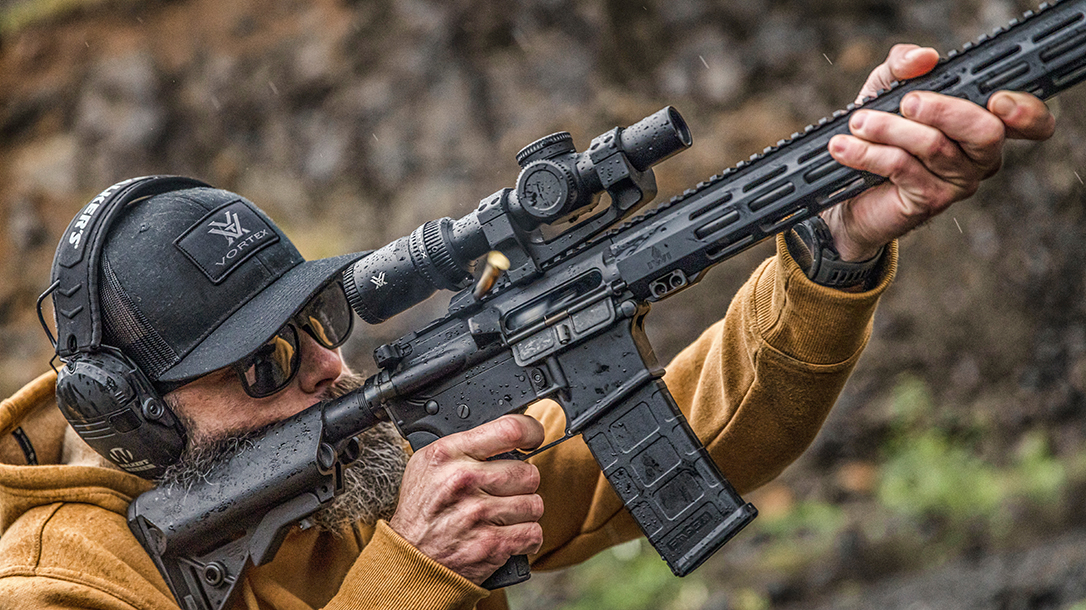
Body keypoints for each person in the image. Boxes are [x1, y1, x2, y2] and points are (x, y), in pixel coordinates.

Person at [0, 46, 1056, 610]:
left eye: (317, 319)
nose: (329, 366)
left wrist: (837, 241)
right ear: (129, 414)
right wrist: (409, 576)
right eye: (269, 362)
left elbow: (690, 437)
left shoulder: (348, 466)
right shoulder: (58, 583)